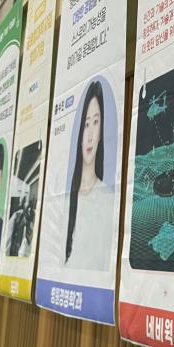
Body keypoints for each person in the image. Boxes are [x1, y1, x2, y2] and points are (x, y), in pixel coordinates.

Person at [65, 80, 114, 271]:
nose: (90, 135)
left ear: (101, 131)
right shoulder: (65, 199)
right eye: (86, 125)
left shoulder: (108, 199)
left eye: (95, 122)